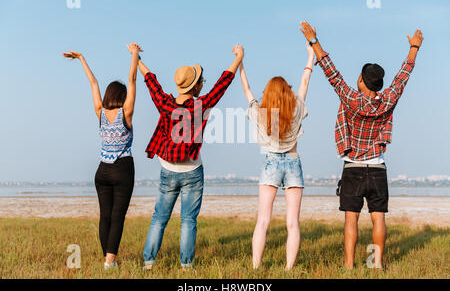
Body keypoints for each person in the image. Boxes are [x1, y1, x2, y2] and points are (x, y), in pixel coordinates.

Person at [299, 21, 423, 269]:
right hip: (377, 168)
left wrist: (314, 41)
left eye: (360, 75)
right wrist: (414, 48)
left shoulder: (351, 99)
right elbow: (402, 77)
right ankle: (375, 264)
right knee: (378, 219)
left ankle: (348, 265)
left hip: (353, 168)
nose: (357, 77)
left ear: (363, 82)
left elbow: (330, 71)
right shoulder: (388, 100)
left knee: (351, 220)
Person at [139, 44, 244, 269]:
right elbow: (222, 84)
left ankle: (148, 263)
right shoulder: (201, 105)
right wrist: (238, 58)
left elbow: (151, 83)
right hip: (193, 171)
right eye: (200, 81)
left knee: (159, 218)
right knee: (188, 220)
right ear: (196, 86)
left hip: (168, 169)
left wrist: (136, 58)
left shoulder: (165, 104)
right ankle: (186, 266)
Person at [62, 43, 142, 269]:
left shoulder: (100, 112)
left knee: (104, 216)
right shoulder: (126, 112)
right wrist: (134, 54)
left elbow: (93, 82)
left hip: (102, 171)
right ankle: (110, 262)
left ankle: (108, 259)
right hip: (122, 168)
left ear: (108, 96)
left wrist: (81, 59)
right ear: (122, 96)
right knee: (117, 217)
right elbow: (133, 79)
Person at [238, 43, 313, 270]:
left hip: (270, 162)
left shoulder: (261, 113)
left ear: (268, 94)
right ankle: (289, 268)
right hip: (293, 161)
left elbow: (247, 88)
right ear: (287, 93)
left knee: (263, 221)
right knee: (292, 223)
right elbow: (304, 82)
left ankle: (255, 266)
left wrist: (240, 61)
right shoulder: (297, 108)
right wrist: (310, 56)